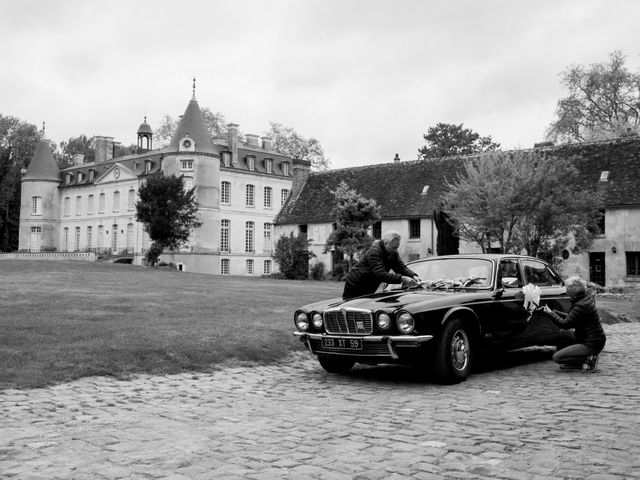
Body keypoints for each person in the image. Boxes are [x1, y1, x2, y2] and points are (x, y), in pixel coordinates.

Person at [540, 276, 606, 372]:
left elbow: (565, 324)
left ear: (574, 290)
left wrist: (550, 313)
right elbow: (572, 317)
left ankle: (588, 360)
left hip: (592, 343)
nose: (566, 291)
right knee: (563, 333)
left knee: (556, 357)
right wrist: (554, 312)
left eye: (568, 289)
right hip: (588, 338)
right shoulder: (583, 300)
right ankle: (576, 362)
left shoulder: (581, 305)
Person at [342, 231, 420, 300]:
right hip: (356, 284)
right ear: (386, 243)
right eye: (394, 247)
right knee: (353, 308)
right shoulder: (375, 252)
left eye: (397, 247)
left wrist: (413, 275)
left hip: (369, 284)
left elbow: (400, 267)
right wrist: (402, 278)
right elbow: (380, 274)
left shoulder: (392, 252)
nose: (396, 250)